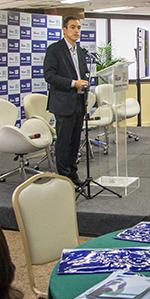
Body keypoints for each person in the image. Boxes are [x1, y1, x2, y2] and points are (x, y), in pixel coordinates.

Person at [43, 16, 89, 187]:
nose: (76, 31)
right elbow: (50, 76)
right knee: (63, 142)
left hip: (79, 101)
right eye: (72, 27)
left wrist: (84, 82)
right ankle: (63, 179)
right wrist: (73, 83)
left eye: (78, 27)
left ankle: (73, 174)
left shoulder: (81, 51)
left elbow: (82, 73)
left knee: (75, 141)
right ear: (64, 30)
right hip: (63, 102)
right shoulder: (55, 50)